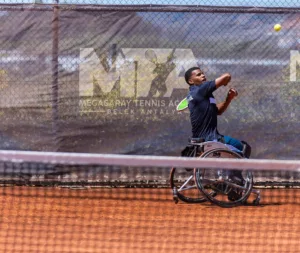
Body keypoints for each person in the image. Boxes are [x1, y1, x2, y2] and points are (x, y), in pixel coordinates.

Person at [184, 67, 251, 192]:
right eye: (198, 75)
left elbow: (217, 111)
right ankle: (234, 179)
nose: (203, 76)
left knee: (238, 147)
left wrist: (228, 99)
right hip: (211, 139)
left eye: (203, 73)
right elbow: (226, 76)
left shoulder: (201, 94)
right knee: (244, 147)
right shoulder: (201, 89)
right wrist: (225, 82)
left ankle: (231, 177)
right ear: (191, 81)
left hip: (203, 139)